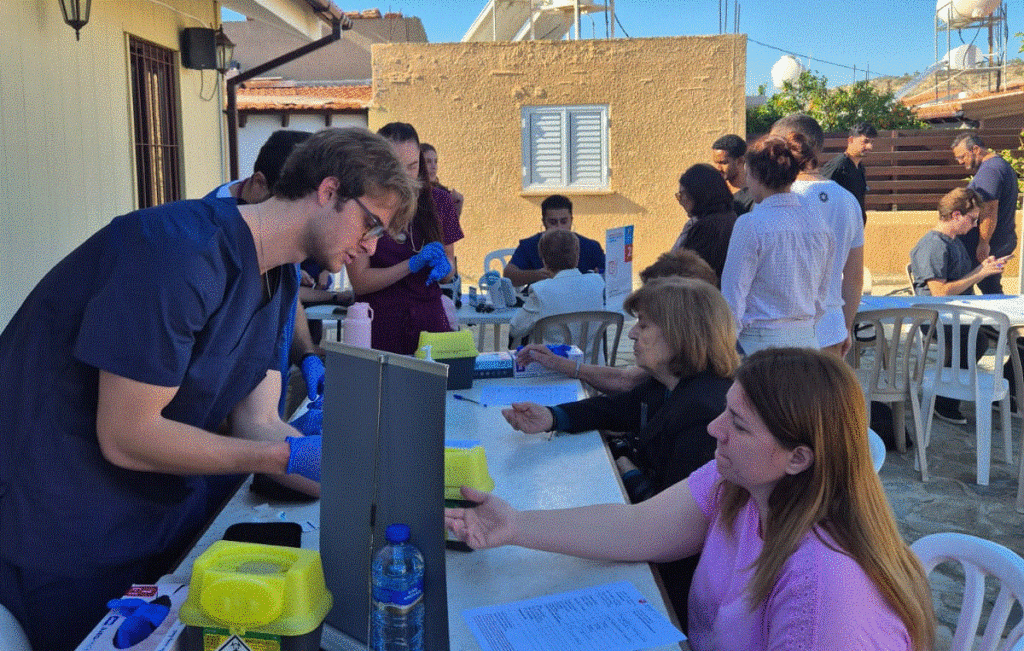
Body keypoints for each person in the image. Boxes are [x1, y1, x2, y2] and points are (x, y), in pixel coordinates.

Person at [0, 127, 417, 651]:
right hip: (58, 520)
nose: (371, 247)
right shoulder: (175, 251)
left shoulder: (280, 277)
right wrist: (282, 457)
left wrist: (370, 493)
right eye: (371, 224)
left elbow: (257, 422)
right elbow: (126, 435)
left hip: (148, 516)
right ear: (328, 190)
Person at [448, 348, 936, 650]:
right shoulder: (741, 486)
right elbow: (639, 529)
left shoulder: (824, 590)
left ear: (798, 458)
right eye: (727, 411)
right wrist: (516, 525)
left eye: (738, 424)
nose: (714, 429)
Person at [503, 277, 737, 628]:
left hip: (670, 590)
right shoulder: (670, 386)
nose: (632, 334)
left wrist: (627, 465)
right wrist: (552, 416)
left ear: (680, 334)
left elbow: (666, 519)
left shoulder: (703, 414)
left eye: (644, 325)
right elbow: (615, 408)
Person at [515, 250, 718, 394]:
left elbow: (625, 383)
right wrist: (558, 363)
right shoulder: (684, 363)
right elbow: (625, 381)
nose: (632, 333)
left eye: (646, 322)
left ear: (681, 317)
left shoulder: (701, 395)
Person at [346, 122, 459, 355]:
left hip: (431, 322)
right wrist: (410, 265)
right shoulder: (362, 204)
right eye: (396, 167)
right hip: (381, 322)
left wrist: (445, 267)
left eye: (412, 166)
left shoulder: (440, 202)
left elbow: (450, 270)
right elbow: (360, 281)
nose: (406, 176)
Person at [720, 133, 834, 356]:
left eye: (747, 174)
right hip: (807, 340)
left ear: (755, 175)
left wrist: (726, 347)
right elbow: (823, 294)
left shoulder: (750, 224)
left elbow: (733, 295)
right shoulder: (819, 223)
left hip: (758, 342)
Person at [910, 187, 1010, 424]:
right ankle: (944, 400)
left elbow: (959, 279)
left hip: (956, 314)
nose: (975, 225)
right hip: (937, 317)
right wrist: (980, 274)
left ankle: (950, 394)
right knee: (976, 340)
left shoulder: (953, 241)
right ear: (956, 215)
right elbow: (940, 292)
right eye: (973, 219)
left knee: (996, 335)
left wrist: (984, 268)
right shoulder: (934, 246)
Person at [771, 113, 864, 357]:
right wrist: (845, 326)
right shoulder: (848, 201)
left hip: (781, 327)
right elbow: (854, 276)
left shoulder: (776, 198)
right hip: (830, 325)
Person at [508, 229, 606, 347]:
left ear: (544, 260)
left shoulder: (540, 291)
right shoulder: (597, 283)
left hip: (552, 358)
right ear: (577, 257)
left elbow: (515, 329)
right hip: (590, 358)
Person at [951, 133, 1020, 294]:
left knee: (967, 284)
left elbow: (989, 210)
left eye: (962, 156)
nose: (960, 162)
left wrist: (983, 243)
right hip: (999, 238)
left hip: (989, 241)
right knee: (988, 285)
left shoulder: (990, 171)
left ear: (975, 149)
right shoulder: (997, 166)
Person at [503, 194, 605, 287]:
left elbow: (609, 271)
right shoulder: (529, 245)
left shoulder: (590, 246)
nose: (559, 227)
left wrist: (601, 274)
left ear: (571, 220)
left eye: (564, 221)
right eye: (553, 222)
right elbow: (508, 275)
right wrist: (536, 275)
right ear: (544, 222)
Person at [671, 163, 738, 280]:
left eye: (682, 195)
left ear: (698, 193)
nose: (681, 202)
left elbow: (685, 273)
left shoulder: (707, 227)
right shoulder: (729, 216)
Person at [420, 142, 463, 284]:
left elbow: (448, 235)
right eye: (428, 161)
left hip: (437, 271)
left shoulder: (443, 196)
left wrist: (457, 208)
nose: (433, 166)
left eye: (435, 161)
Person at [820, 121, 876, 224]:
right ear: (850, 140)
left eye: (872, 142)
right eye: (865, 141)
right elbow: (820, 194)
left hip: (855, 228)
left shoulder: (860, 168)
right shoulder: (838, 166)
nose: (870, 147)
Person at [711, 134, 754, 216]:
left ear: (740, 160)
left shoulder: (754, 197)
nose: (718, 168)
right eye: (716, 163)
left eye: (723, 163)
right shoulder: (714, 193)